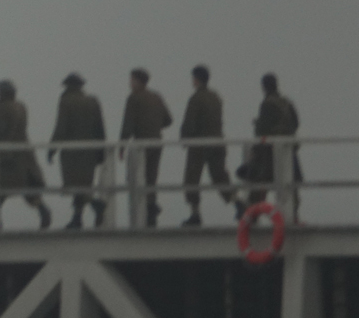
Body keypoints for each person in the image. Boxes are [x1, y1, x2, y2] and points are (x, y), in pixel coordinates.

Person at [0, 80, 52, 228]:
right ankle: (42, 210)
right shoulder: (21, 106)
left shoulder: (2, 107)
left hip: (8, 154)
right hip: (25, 153)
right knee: (26, 186)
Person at [48, 74, 108, 229]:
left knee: (75, 185)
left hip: (72, 153)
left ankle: (95, 205)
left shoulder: (66, 102)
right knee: (84, 184)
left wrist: (52, 148)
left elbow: (61, 127)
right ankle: (77, 217)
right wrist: (101, 151)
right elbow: (100, 128)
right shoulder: (92, 101)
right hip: (90, 152)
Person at [179, 65, 236, 226]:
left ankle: (195, 214)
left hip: (199, 145)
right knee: (220, 177)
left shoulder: (196, 98)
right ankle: (238, 203)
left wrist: (184, 138)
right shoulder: (215, 97)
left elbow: (190, 122)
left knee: (191, 179)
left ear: (196, 79)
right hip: (218, 143)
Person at [117, 68, 174, 225]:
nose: (129, 83)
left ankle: (144, 211)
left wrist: (121, 146)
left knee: (136, 177)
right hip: (157, 142)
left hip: (141, 144)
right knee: (151, 177)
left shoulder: (134, 98)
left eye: (131, 80)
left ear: (137, 81)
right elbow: (168, 120)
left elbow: (127, 125)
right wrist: (154, 124)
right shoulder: (156, 97)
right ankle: (151, 207)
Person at [243, 73, 302, 211]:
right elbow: (296, 123)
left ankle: (252, 214)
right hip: (288, 148)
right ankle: (293, 214)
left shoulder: (267, 104)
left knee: (259, 181)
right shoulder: (286, 102)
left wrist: (255, 151)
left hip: (270, 151)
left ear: (264, 87)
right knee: (289, 183)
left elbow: (262, 131)